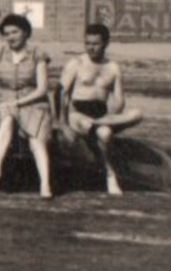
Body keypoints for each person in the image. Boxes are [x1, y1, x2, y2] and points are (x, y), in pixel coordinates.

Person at [59, 24, 144, 196]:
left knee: (137, 114)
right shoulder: (76, 63)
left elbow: (119, 99)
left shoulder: (113, 67)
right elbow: (61, 94)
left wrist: (113, 116)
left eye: (95, 44)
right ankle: (110, 174)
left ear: (105, 43)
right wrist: (62, 122)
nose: (91, 47)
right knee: (102, 133)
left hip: (101, 116)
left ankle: (98, 124)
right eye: (87, 43)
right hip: (78, 115)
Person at [0, 14, 54, 197]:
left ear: (26, 33)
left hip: (33, 101)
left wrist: (18, 102)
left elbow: (42, 89)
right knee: (6, 120)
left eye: (15, 32)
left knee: (36, 141)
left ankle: (45, 185)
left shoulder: (37, 54)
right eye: (6, 34)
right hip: (6, 97)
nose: (10, 37)